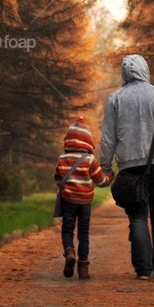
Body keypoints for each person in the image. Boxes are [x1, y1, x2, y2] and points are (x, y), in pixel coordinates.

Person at [100, 54, 154, 280]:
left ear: (124, 73)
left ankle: (143, 270)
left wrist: (106, 165)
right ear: (145, 70)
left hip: (130, 167)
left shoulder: (115, 99)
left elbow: (108, 137)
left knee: (137, 218)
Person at [53, 116, 110, 279]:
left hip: (68, 200)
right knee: (84, 233)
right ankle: (83, 269)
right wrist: (109, 178)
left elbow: (57, 177)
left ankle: (70, 251)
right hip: (85, 202)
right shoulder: (90, 159)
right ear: (87, 141)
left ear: (68, 140)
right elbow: (100, 180)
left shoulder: (62, 158)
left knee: (67, 230)